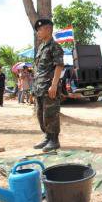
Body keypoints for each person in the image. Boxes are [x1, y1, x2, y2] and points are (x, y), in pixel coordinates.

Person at [33, 19, 64, 152]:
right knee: (41, 114)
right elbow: (38, 69)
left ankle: (54, 140)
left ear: (48, 29)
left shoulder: (55, 47)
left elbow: (59, 66)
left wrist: (54, 85)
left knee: (51, 114)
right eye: (37, 30)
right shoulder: (41, 47)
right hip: (39, 87)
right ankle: (47, 137)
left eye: (40, 30)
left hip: (49, 87)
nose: (38, 32)